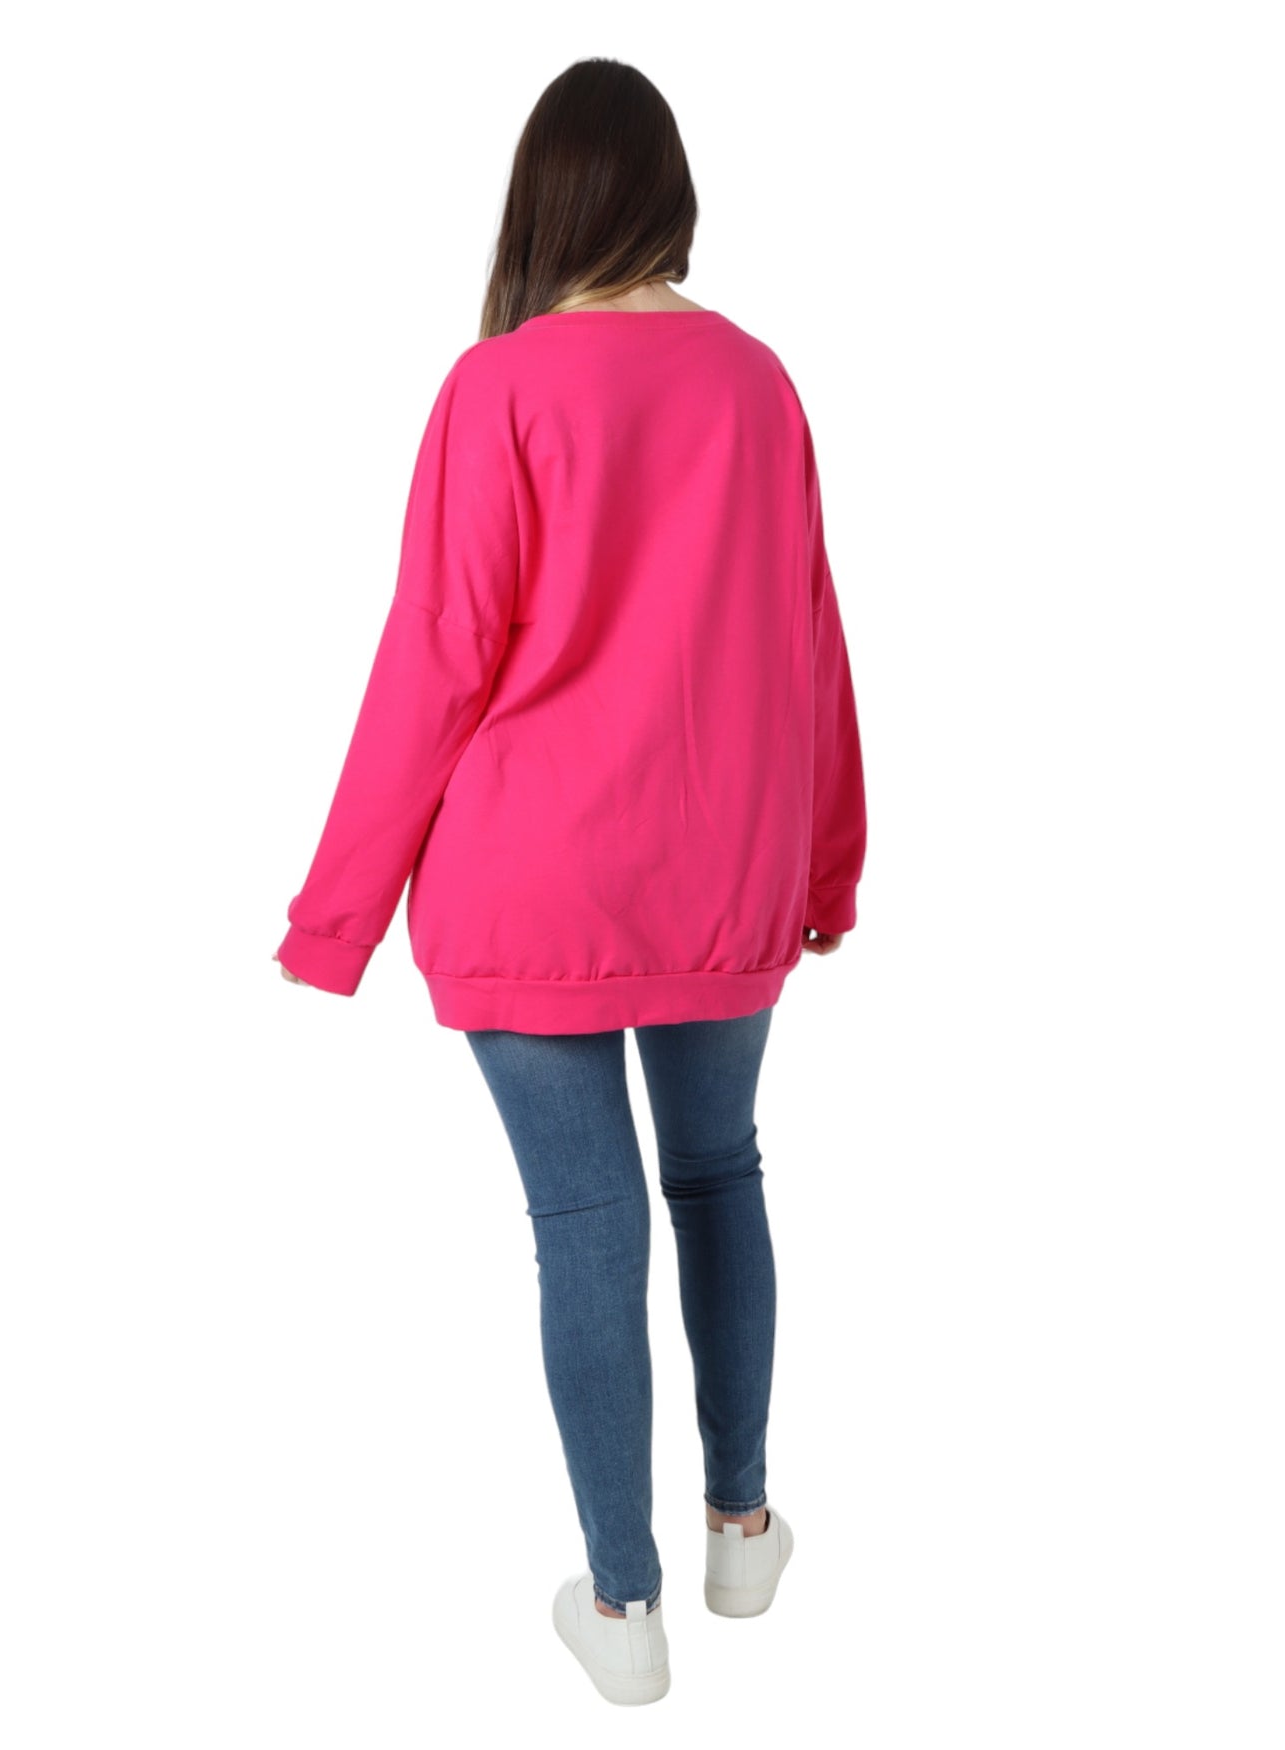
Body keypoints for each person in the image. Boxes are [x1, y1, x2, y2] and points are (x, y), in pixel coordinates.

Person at [273, 57, 867, 1706]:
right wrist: (830, 864)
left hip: (529, 883)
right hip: (725, 875)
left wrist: (334, 920)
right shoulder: (758, 384)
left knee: (588, 1224)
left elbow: (437, 658)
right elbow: (809, 641)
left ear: (543, 201)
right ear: (671, 193)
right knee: (720, 1175)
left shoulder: (500, 389)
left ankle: (625, 1608)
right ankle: (742, 1528)